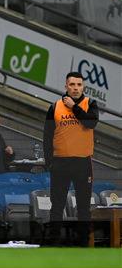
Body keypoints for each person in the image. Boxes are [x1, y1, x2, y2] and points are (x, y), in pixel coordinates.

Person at [43, 71, 98, 247]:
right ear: (66, 86)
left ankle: (83, 244)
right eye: (72, 84)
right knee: (57, 205)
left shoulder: (90, 103)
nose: (75, 88)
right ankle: (54, 243)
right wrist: (48, 162)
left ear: (83, 87)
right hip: (60, 162)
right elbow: (47, 136)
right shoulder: (55, 106)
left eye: (79, 85)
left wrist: (74, 107)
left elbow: (91, 123)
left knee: (83, 206)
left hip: (83, 163)